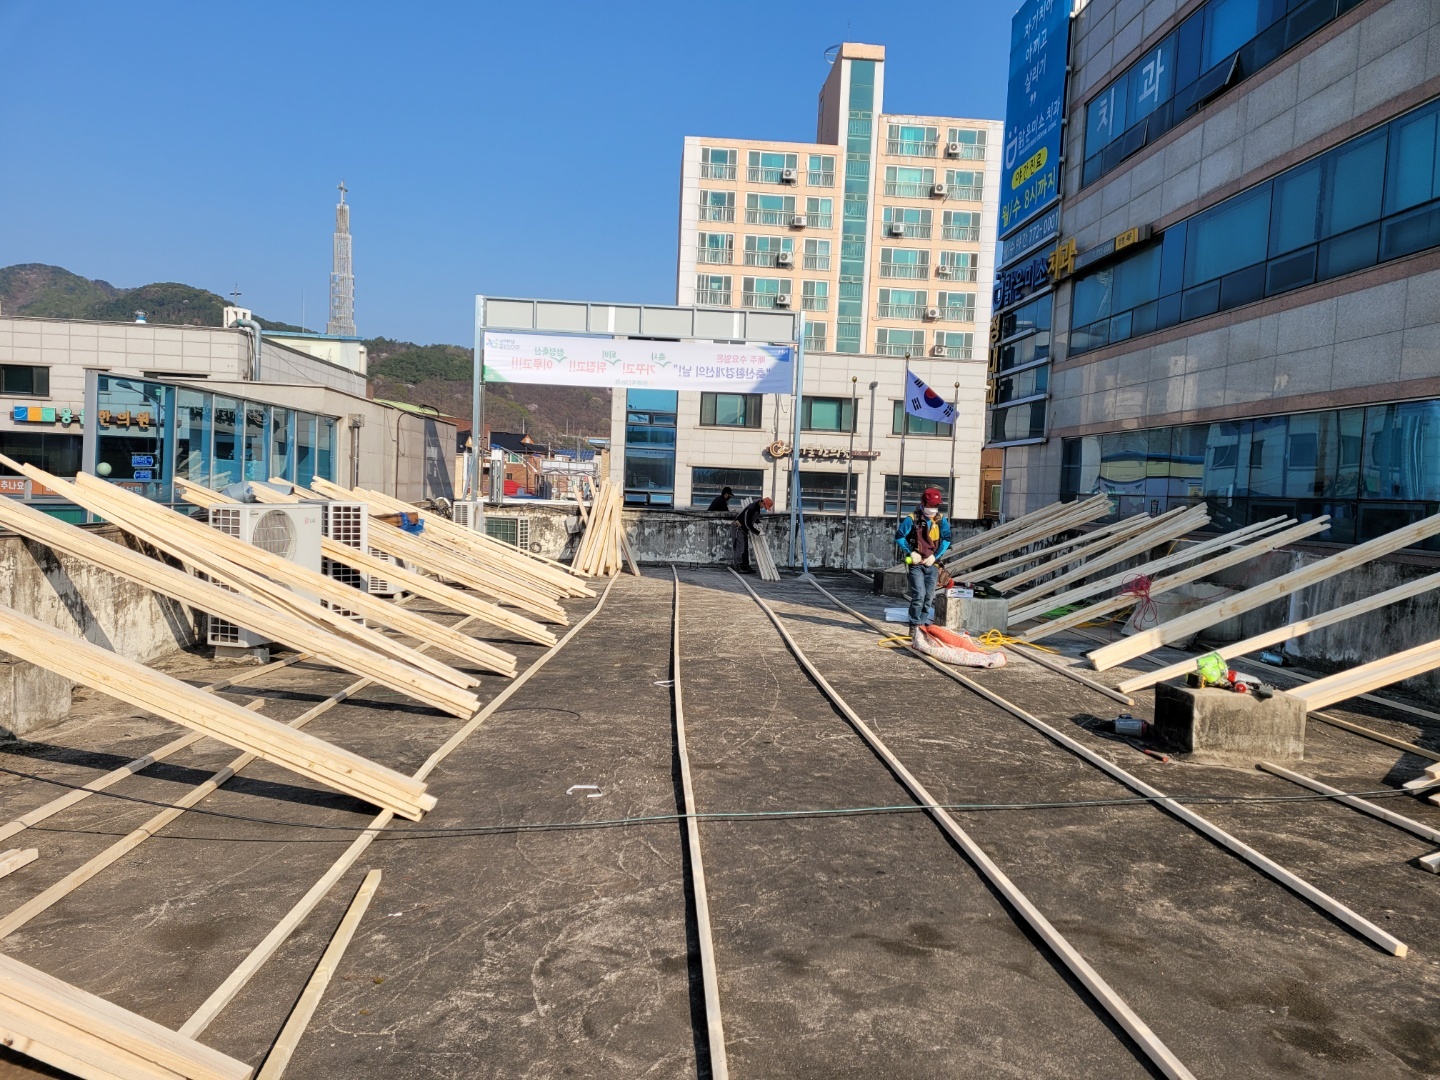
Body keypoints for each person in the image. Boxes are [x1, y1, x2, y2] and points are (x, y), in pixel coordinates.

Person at [895, 487, 951, 631]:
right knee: (919, 595)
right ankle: (914, 625)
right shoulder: (912, 519)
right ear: (923, 503)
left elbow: (947, 539)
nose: (933, 509)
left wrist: (934, 557)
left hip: (932, 564)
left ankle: (921, 625)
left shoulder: (941, 520)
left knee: (928, 598)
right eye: (930, 505)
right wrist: (911, 552)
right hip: (916, 564)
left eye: (936, 505)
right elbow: (899, 536)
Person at [733, 496, 773, 572]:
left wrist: (759, 523)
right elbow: (747, 523)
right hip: (738, 527)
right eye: (764, 507)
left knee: (745, 548)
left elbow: (754, 518)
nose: (764, 508)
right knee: (740, 548)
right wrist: (758, 532)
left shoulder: (757, 508)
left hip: (744, 528)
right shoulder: (752, 508)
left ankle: (745, 566)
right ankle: (737, 566)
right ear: (762, 502)